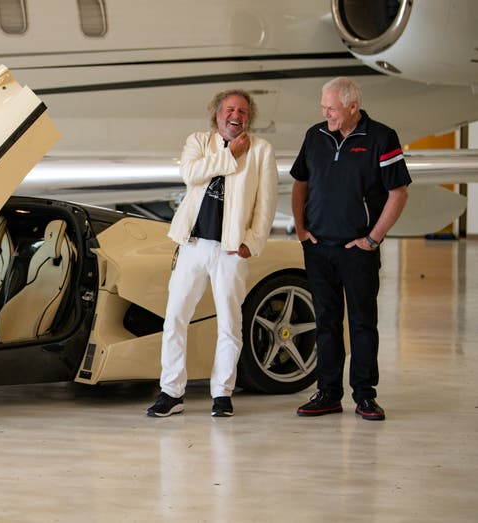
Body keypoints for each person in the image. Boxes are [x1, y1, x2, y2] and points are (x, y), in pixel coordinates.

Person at [147, 89, 278, 418]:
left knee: (230, 323)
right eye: (231, 109)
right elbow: (190, 174)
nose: (237, 115)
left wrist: (253, 242)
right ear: (217, 115)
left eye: (244, 111)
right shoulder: (198, 141)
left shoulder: (262, 151)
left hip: (231, 249)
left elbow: (266, 204)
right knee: (176, 317)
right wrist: (231, 153)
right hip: (192, 244)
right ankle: (171, 392)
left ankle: (222, 393)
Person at [290, 77, 410, 421]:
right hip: (318, 247)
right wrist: (300, 228)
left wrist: (373, 238)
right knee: (326, 322)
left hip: (358, 250)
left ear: (353, 106)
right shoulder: (316, 136)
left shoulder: (382, 138)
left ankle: (365, 395)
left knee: (362, 323)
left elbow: (398, 192)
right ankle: (328, 393)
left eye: (331, 108)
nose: (326, 114)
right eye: (324, 108)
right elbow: (301, 182)